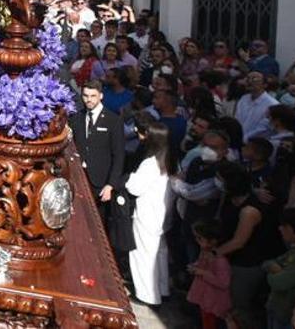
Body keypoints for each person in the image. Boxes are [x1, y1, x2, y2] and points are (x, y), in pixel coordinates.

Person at [216, 162, 285, 328]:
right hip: (230, 258)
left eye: (220, 179)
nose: (216, 182)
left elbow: (239, 241)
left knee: (239, 306)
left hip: (247, 263)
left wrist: (212, 254)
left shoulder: (250, 211)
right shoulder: (230, 197)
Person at [125, 121, 175, 306]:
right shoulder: (170, 160)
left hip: (147, 215)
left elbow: (134, 188)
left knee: (144, 254)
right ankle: (162, 289)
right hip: (163, 215)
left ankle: (148, 294)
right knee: (160, 253)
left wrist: (130, 178)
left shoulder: (150, 163)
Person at [68, 82, 124, 216]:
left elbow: (119, 155)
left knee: (99, 219)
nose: (89, 99)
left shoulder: (113, 120)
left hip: (101, 181)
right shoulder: (76, 118)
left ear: (101, 96)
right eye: (86, 95)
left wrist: (110, 185)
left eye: (93, 96)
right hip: (79, 177)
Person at [186, 220, 231, 329]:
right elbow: (201, 263)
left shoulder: (220, 261)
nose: (197, 241)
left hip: (214, 301)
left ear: (213, 241)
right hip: (205, 297)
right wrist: (195, 266)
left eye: (200, 238)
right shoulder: (205, 252)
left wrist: (202, 272)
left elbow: (223, 283)